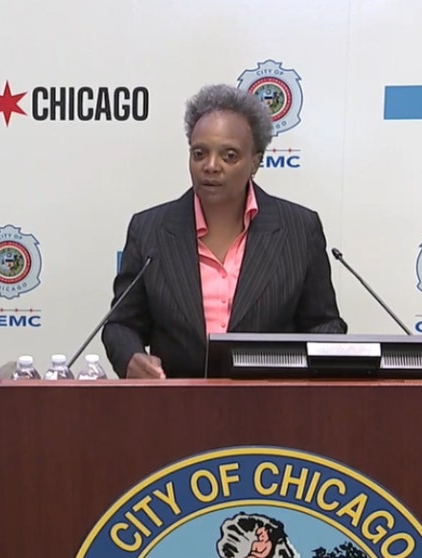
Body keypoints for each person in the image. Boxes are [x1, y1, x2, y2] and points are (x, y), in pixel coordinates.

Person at [102, 84, 346, 379]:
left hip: (273, 407)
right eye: (199, 153)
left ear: (255, 161)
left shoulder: (299, 229)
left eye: (229, 155)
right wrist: (131, 358)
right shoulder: (149, 230)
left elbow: (323, 325)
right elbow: (121, 324)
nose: (211, 166)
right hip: (174, 406)